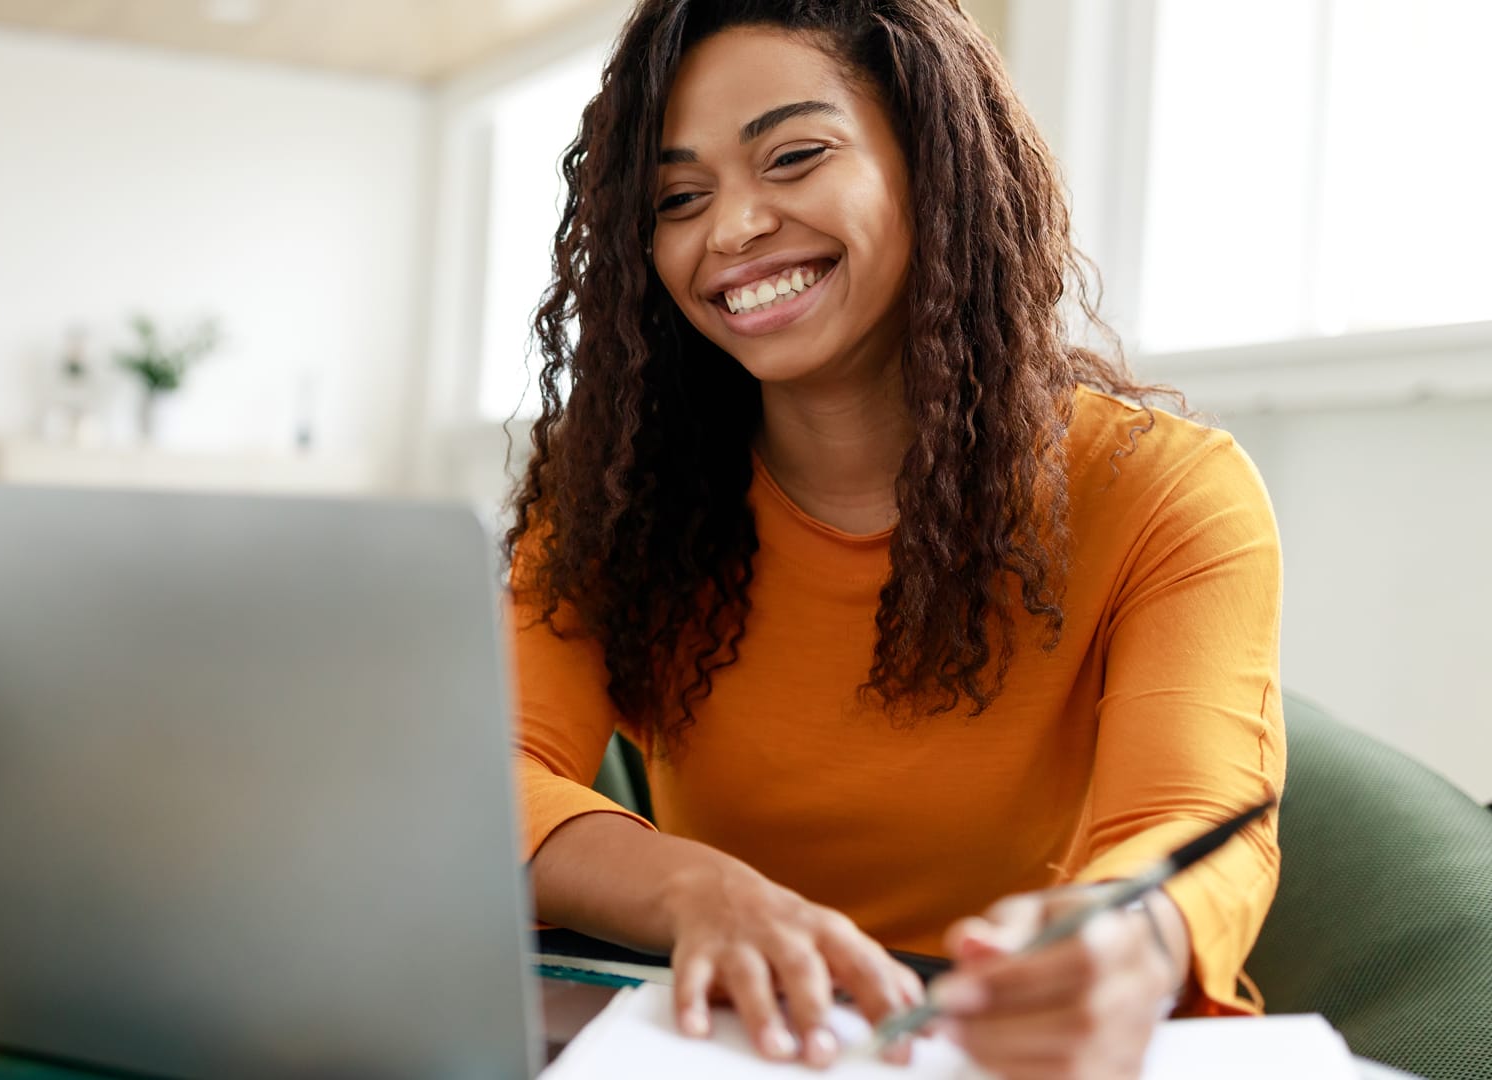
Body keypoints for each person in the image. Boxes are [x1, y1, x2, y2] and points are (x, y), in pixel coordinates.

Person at [503, 1, 1284, 1076]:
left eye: (794, 156)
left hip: (998, 1048)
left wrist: (1127, 941)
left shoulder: (1168, 492)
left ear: (934, 161)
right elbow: (483, 779)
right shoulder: (618, 498)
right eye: (680, 198)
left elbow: (1199, 821)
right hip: (718, 1039)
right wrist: (696, 890)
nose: (731, 230)